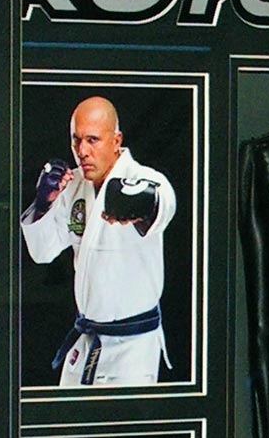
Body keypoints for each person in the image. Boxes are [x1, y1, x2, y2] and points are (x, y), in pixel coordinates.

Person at [21, 95, 177, 386]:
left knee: (120, 417)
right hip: (87, 340)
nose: (82, 151)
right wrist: (42, 205)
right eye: (76, 140)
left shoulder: (144, 179)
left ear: (116, 140)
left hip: (131, 350)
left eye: (93, 140)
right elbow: (42, 253)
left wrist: (142, 205)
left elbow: (164, 204)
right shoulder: (72, 186)